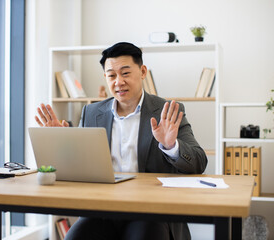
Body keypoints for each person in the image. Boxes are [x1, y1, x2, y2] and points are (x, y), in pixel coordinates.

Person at [35, 42, 208, 240]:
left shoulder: (167, 111)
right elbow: (80, 168)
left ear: (142, 71)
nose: (118, 82)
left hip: (151, 211)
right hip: (103, 210)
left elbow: (199, 162)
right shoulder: (91, 113)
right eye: (111, 75)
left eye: (125, 73)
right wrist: (61, 143)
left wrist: (171, 146)